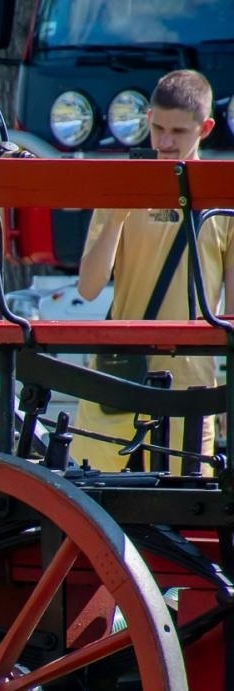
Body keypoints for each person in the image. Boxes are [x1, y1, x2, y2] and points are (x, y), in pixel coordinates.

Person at [70, 69, 234, 475]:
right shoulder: (122, 187)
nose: (164, 142)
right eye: (158, 128)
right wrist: (116, 219)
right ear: (147, 120)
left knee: (184, 505)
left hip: (189, 387)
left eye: (178, 131)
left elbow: (231, 312)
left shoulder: (224, 198)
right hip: (120, 377)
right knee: (96, 502)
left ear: (205, 129)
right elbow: (88, 288)